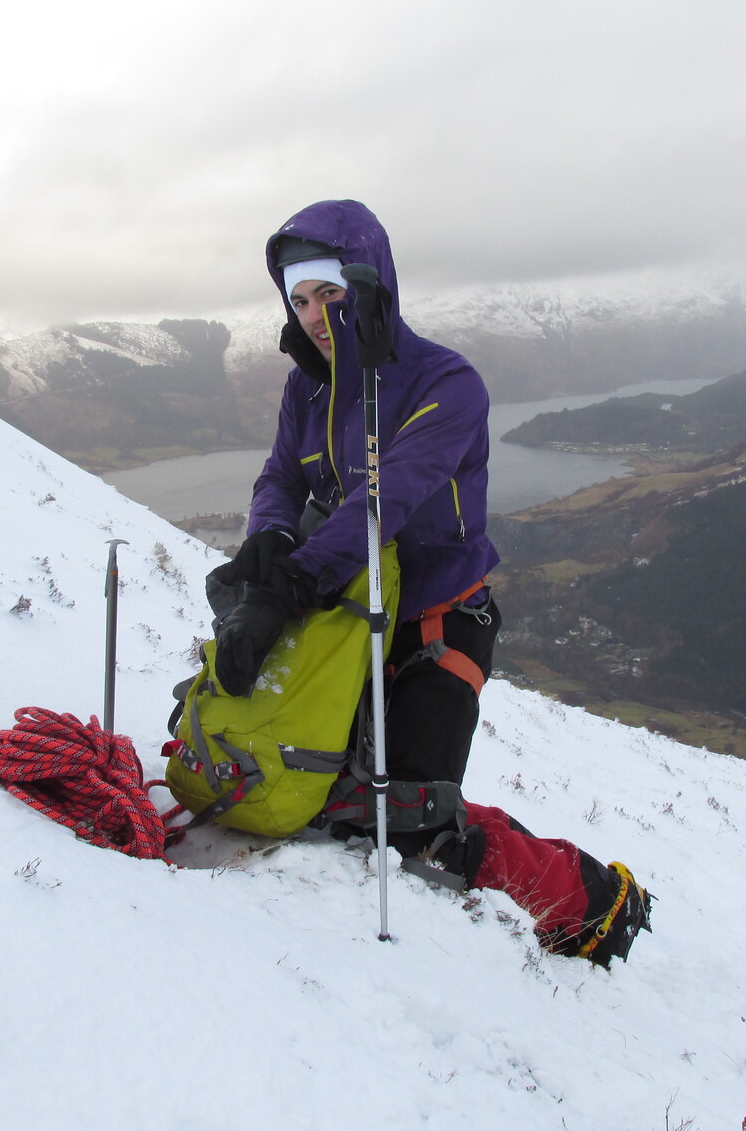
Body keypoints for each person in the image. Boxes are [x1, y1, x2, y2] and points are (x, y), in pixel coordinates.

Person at [207, 199, 650, 966]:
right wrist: (267, 545)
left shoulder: (447, 383)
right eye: (299, 299)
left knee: (415, 817)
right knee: (323, 788)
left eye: (330, 294)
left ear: (370, 281)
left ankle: (593, 902)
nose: (314, 316)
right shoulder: (304, 391)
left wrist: (290, 586)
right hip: (348, 617)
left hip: (442, 619)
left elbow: (385, 499)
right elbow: (281, 477)